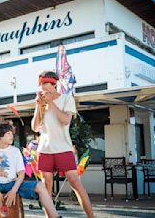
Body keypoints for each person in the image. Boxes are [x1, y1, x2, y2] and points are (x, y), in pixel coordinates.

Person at [31, 71, 94, 218]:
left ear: (54, 84)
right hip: (45, 150)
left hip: (63, 148)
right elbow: (35, 127)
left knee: (75, 183)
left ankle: (91, 216)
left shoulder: (66, 99)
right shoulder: (41, 102)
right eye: (41, 85)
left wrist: (50, 103)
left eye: (45, 84)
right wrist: (39, 107)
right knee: (46, 187)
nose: (42, 88)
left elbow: (65, 120)